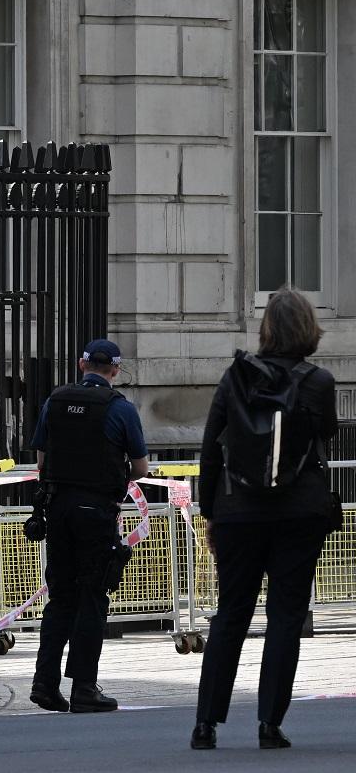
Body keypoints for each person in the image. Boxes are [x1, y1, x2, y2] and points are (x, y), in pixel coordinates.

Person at [190, 287, 336, 751]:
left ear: (266, 328)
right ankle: (270, 723)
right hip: (299, 511)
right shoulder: (319, 381)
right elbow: (325, 437)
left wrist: (211, 513)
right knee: (286, 616)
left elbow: (210, 452)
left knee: (231, 615)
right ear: (309, 330)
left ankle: (205, 724)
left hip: (238, 512)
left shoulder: (234, 378)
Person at [28, 338, 148, 714]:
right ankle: (83, 686)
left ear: (82, 365)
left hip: (59, 510)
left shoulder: (55, 401)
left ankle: (44, 684)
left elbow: (42, 460)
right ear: (114, 369)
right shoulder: (120, 408)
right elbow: (141, 469)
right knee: (93, 597)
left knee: (60, 597)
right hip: (96, 512)